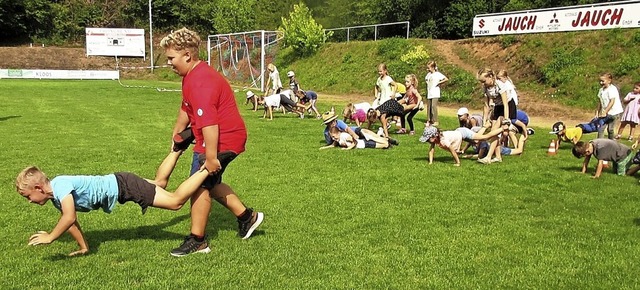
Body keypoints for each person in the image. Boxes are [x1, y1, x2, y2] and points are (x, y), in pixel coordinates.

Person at [161, 28, 264, 257]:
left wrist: (210, 157)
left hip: (222, 138)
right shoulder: (190, 77)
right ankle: (247, 217)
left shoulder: (201, 81)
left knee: (199, 183)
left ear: (187, 54)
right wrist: (177, 134)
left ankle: (198, 240)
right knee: (212, 181)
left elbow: (210, 123)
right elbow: (186, 108)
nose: (169, 63)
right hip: (216, 136)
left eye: (171, 58)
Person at [16, 146, 211, 256]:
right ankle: (178, 147)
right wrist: (84, 248)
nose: (29, 201)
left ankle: (209, 166)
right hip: (121, 183)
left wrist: (50, 236)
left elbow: (69, 217)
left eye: (28, 196)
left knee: (175, 202)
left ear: (38, 188)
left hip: (124, 186)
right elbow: (71, 224)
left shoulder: (60, 186)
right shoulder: (57, 198)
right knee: (160, 182)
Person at [595, 73, 623, 139]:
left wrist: (605, 111)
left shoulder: (612, 89)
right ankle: (600, 143)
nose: (601, 82)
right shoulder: (601, 90)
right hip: (605, 113)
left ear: (609, 81)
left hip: (614, 113)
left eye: (603, 81)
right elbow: (600, 102)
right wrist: (597, 112)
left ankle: (611, 142)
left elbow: (612, 101)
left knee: (610, 129)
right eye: (600, 81)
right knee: (601, 128)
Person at [424, 61, 448, 126]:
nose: (428, 69)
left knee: (433, 106)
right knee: (429, 107)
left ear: (433, 67)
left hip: (435, 93)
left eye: (429, 68)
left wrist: (439, 83)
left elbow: (446, 79)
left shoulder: (437, 74)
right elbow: (426, 79)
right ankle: (429, 120)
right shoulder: (428, 74)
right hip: (429, 93)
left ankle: (436, 120)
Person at [321, 129, 390, 150]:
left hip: (364, 144)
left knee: (385, 145)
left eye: (334, 136)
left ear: (338, 133)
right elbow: (333, 145)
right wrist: (324, 147)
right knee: (383, 144)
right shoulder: (338, 139)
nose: (333, 138)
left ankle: (386, 138)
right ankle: (381, 135)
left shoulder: (344, 136)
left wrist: (347, 149)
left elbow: (355, 142)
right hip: (365, 144)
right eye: (332, 137)